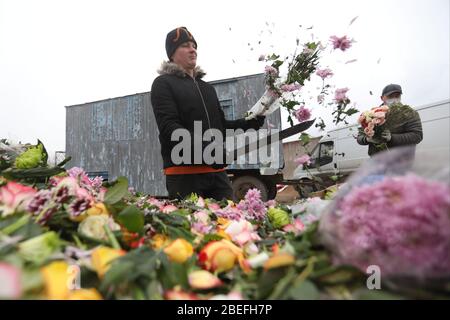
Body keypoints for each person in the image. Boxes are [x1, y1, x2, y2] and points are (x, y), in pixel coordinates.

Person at [150, 27, 265, 201]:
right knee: (193, 226)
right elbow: (170, 127)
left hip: (217, 175)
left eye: (194, 45)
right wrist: (207, 150)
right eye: (185, 45)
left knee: (228, 222)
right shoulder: (163, 84)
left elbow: (221, 126)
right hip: (184, 176)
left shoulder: (207, 88)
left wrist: (248, 123)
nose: (192, 49)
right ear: (172, 54)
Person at [357, 84, 423, 156]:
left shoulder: (409, 113)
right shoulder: (371, 114)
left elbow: (417, 136)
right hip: (377, 160)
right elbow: (359, 137)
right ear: (382, 98)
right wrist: (366, 139)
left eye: (397, 96)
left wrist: (392, 138)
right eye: (390, 96)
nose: (394, 99)